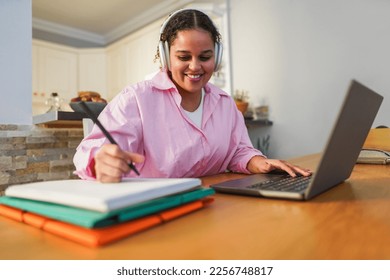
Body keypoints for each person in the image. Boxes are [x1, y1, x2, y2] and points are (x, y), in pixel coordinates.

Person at [73, 9, 311, 183]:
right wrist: (98, 161)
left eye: (205, 57)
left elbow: (238, 150)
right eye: (184, 57)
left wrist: (260, 162)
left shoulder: (225, 103)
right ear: (166, 57)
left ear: (215, 58)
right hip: (157, 211)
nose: (195, 67)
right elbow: (88, 153)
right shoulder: (136, 99)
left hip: (213, 205)